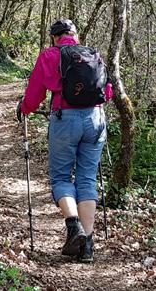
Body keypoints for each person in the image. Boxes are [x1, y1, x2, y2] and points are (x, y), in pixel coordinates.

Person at [16, 19, 113, 263]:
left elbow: (35, 94)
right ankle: (87, 246)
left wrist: (24, 109)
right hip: (96, 119)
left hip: (65, 120)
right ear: (75, 35)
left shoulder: (50, 55)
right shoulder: (93, 55)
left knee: (61, 177)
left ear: (54, 37)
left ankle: (74, 227)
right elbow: (108, 92)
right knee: (87, 179)